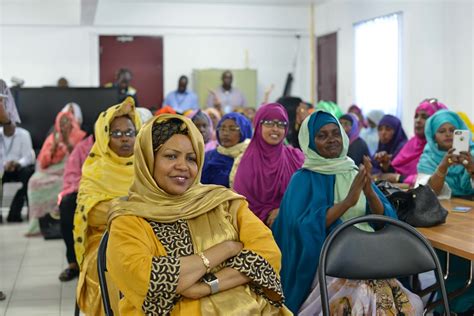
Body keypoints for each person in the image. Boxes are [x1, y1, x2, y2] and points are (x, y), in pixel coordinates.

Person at [106, 113, 290, 315]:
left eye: (191, 158)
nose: (183, 166)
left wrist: (206, 286)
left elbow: (268, 253)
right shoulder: (128, 218)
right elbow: (147, 278)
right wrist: (226, 249)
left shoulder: (222, 203)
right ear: (148, 160)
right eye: (171, 156)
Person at [272, 110, 423, 315]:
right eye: (322, 135)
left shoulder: (353, 171)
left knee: (407, 306)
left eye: (335, 133)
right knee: (359, 300)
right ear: (309, 141)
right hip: (329, 260)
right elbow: (299, 228)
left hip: (370, 256)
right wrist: (347, 203)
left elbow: (385, 221)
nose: (332, 139)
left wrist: (370, 193)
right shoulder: (303, 178)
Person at [73, 97, 141, 315]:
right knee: (114, 272)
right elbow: (90, 212)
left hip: (148, 235)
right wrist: (133, 211)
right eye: (117, 133)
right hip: (104, 238)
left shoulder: (147, 166)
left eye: (130, 133)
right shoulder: (95, 169)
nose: (125, 139)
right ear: (104, 136)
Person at [416, 109, 474, 314]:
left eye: (453, 130)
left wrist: (472, 169)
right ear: (433, 136)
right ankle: (449, 305)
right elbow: (426, 193)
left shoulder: (473, 154)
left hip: (470, 223)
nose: (449, 134)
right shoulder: (429, 158)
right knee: (450, 267)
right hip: (444, 222)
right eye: (442, 131)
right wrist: (442, 167)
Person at [233, 103, 304, 227]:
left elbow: (303, 196)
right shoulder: (247, 162)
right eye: (269, 123)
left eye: (281, 124)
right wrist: (268, 213)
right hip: (255, 231)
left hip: (291, 227)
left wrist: (283, 211)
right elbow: (242, 204)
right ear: (258, 125)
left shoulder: (296, 158)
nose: (275, 129)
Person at [27, 111, 86, 236]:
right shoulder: (52, 138)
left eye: (67, 121)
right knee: (34, 182)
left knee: (62, 185)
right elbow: (43, 162)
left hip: (71, 171)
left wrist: (69, 145)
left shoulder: (80, 137)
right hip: (51, 170)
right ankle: (38, 225)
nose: (65, 125)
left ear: (72, 122)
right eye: (62, 122)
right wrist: (53, 149)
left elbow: (82, 159)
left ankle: (59, 223)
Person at [379, 99, 447, 185]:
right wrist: (387, 166)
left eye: (424, 117)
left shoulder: (439, 148)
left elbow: (432, 180)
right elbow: (396, 172)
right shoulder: (412, 144)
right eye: (416, 116)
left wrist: (399, 178)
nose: (418, 120)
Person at [58, 135, 94, 282]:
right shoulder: (83, 147)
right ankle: (73, 263)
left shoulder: (132, 146)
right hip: (85, 191)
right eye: (116, 132)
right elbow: (71, 174)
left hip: (116, 195)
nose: (123, 137)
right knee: (67, 205)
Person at [201, 113, 252, 188]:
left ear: (244, 131)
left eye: (232, 129)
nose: (225, 133)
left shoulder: (252, 157)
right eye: (222, 128)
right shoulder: (208, 157)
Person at [1, 122, 35, 222]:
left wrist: (17, 163)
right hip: (2, 169)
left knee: (28, 174)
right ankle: (11, 214)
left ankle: (15, 212)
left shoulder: (24, 134)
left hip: (19, 168)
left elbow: (28, 157)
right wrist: (5, 165)